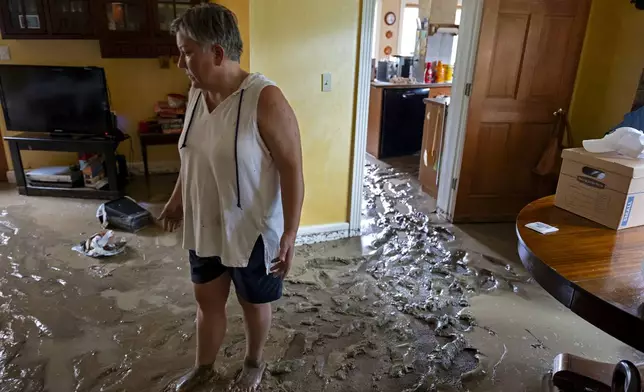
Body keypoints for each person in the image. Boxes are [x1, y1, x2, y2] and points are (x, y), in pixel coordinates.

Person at [159, 4, 305, 391]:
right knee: (207, 302)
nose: (180, 62)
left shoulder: (265, 98)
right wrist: (177, 199)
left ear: (217, 53)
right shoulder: (196, 93)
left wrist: (290, 233)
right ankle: (204, 367)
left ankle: (254, 362)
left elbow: (292, 168)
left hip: (250, 230)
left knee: (254, 303)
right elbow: (194, 155)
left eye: (187, 51)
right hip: (205, 223)